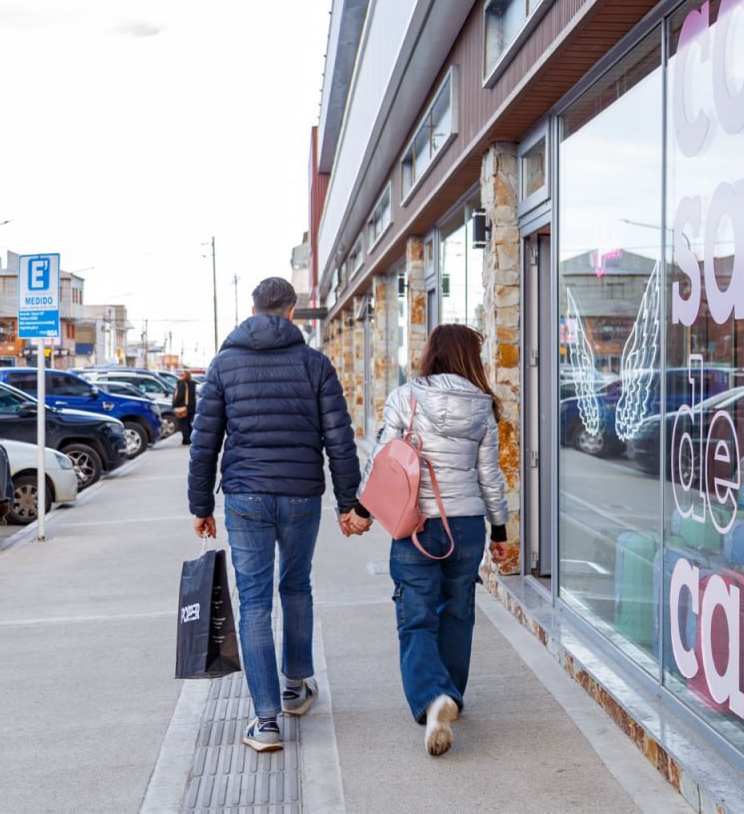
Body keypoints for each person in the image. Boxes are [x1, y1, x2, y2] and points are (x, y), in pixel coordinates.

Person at [188, 277, 363, 753]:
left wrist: (201, 506)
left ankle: (265, 722)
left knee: (255, 603)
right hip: (302, 495)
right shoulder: (315, 364)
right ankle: (296, 687)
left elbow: (204, 442)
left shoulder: (223, 365)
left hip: (246, 496)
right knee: (297, 585)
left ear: (253, 309)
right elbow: (340, 442)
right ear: (291, 312)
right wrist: (349, 504)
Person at [347, 323, 510, 757]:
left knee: (416, 613)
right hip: (468, 523)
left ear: (432, 353)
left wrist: (362, 511)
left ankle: (432, 697)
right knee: (457, 612)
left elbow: (383, 459)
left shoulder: (407, 397)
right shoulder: (483, 406)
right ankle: (451, 694)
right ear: (470, 358)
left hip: (416, 523)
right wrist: (500, 530)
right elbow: (490, 476)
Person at [172, 371, 197, 445]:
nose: (180, 376)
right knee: (188, 423)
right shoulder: (192, 384)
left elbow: (179, 396)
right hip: (191, 406)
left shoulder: (181, 384)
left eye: (182, 375)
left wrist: (174, 404)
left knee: (183, 424)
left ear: (185, 376)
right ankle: (192, 438)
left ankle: (186, 440)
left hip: (183, 407)